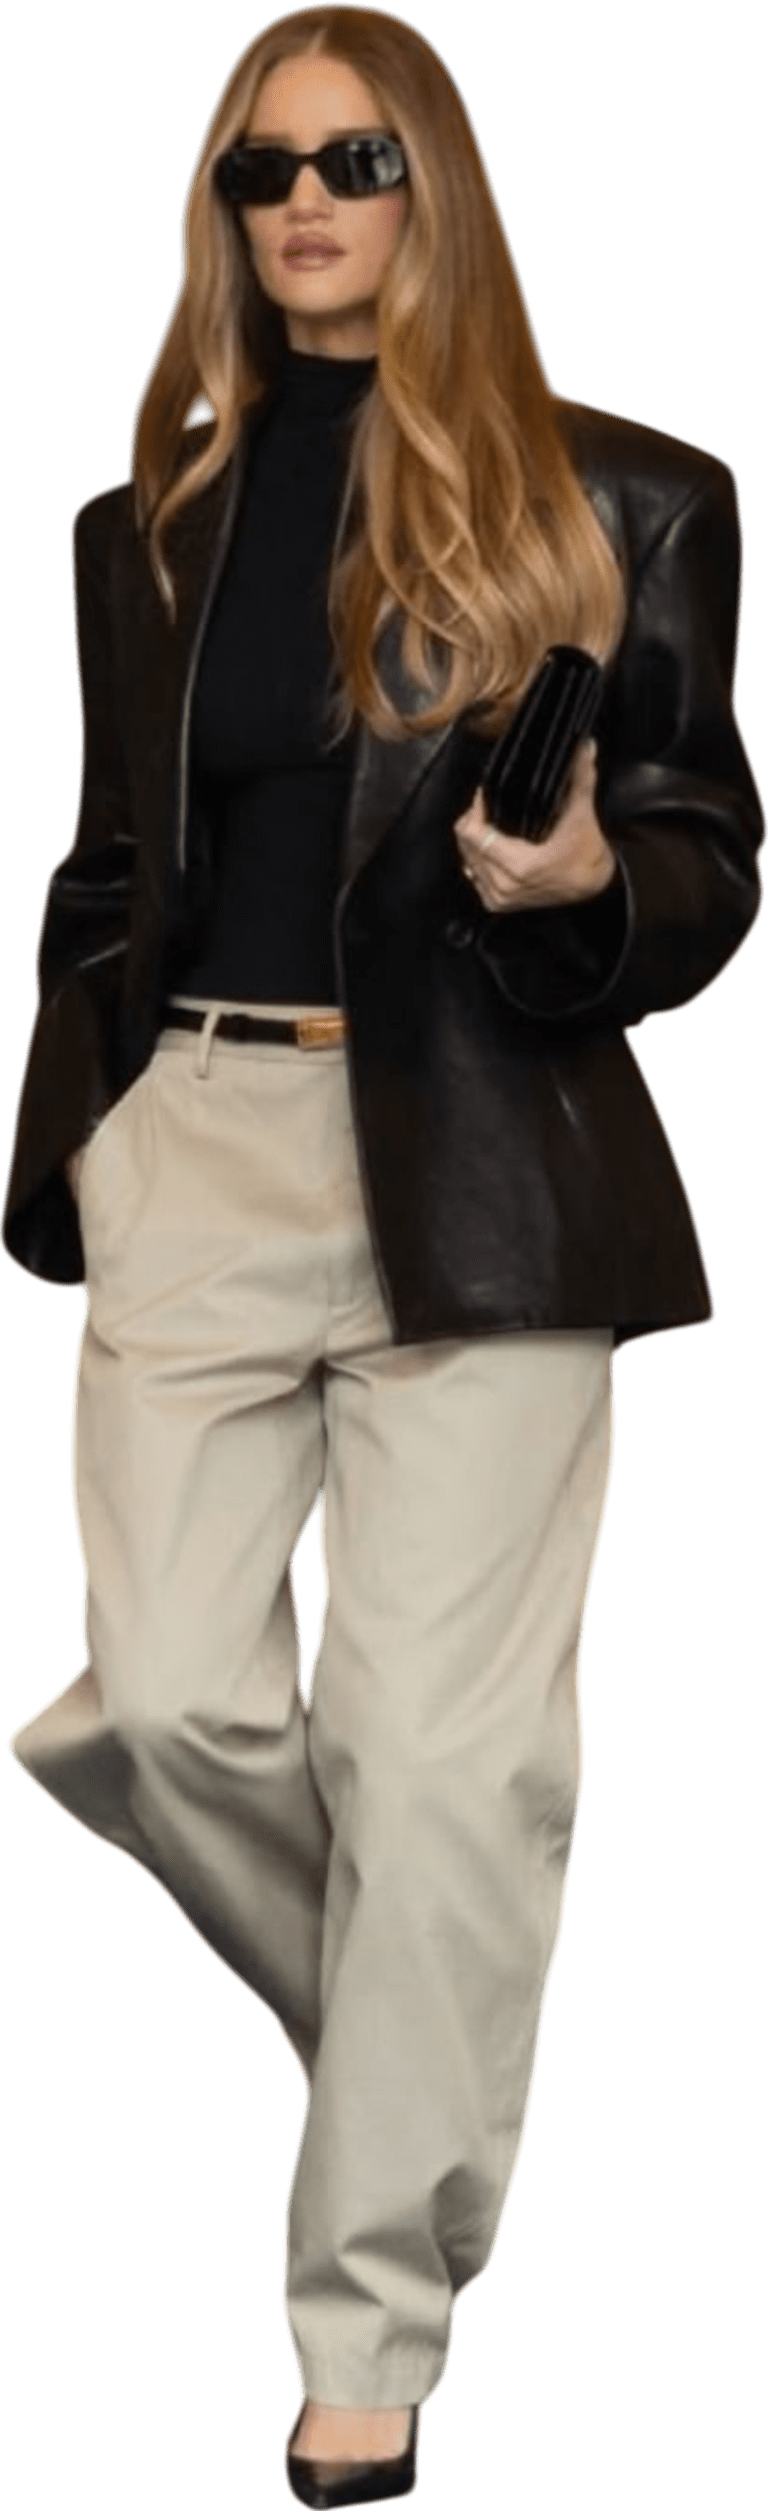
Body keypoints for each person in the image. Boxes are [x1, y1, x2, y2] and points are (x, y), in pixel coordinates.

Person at [2, 9, 765, 2506]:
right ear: (221, 212)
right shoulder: (144, 521)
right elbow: (110, 865)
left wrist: (590, 877)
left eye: (354, 159)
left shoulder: (632, 494)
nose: (307, 203)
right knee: (161, 1707)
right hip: (199, 1144)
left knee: (445, 1763)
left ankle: (369, 2333)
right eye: (261, 171)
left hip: (488, 1156)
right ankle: (418, 2060)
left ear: (436, 180)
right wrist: (78, 1140)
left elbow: (711, 851)